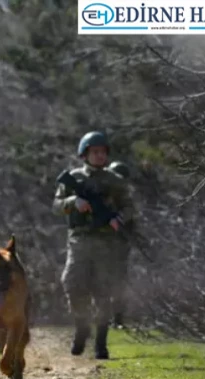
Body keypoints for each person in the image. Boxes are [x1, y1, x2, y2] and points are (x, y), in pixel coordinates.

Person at [51, 131, 135, 360]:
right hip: (79, 240)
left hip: (107, 242)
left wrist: (119, 219)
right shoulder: (74, 177)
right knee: (72, 283)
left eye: (102, 152)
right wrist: (73, 202)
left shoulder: (115, 180)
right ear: (85, 154)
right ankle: (81, 325)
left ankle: (101, 342)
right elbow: (56, 205)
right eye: (94, 152)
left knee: (103, 292)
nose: (99, 156)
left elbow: (129, 206)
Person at [106, 161, 132, 328]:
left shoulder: (125, 200)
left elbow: (129, 218)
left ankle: (117, 319)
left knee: (118, 284)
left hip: (119, 246)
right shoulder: (103, 196)